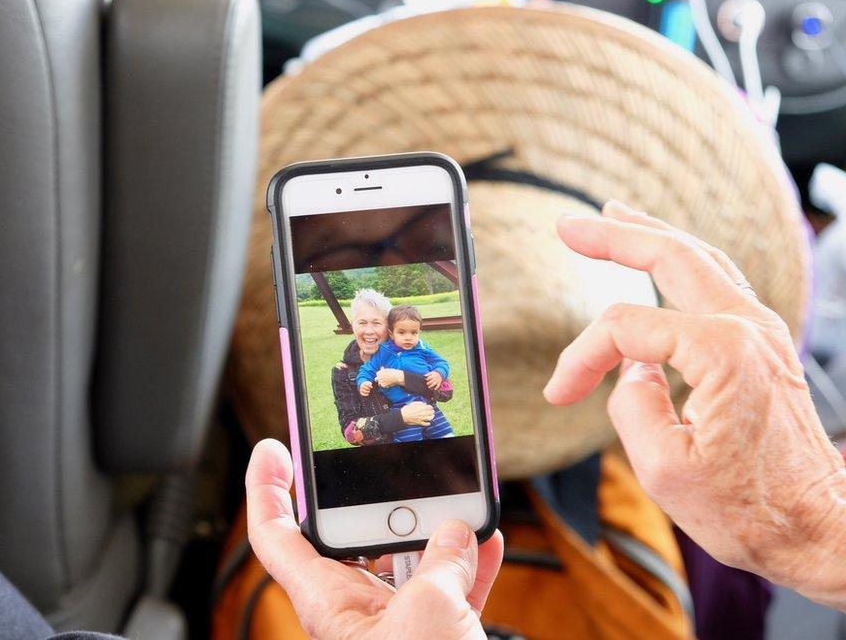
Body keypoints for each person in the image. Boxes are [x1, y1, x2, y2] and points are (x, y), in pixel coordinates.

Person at [247, 200, 846, 639]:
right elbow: (350, 430)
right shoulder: (340, 372)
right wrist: (814, 526)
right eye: (365, 326)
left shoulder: (418, 357)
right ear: (354, 329)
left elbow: (449, 395)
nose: (373, 333)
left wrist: (818, 526)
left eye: (384, 325)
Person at [331, 289, 453, 446]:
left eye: (376, 323)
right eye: (362, 322)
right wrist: (401, 418)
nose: (369, 331)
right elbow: (351, 433)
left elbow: (445, 392)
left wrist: (401, 378)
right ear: (352, 325)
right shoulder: (342, 371)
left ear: (389, 328)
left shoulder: (411, 351)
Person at [356, 304, 453, 442]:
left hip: (428, 404)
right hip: (401, 407)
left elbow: (442, 363)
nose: (409, 337)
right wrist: (364, 381)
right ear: (391, 333)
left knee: (445, 433)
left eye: (414, 332)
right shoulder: (383, 352)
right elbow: (367, 369)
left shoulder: (422, 348)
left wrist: (439, 373)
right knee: (408, 438)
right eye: (402, 332)